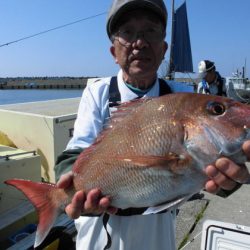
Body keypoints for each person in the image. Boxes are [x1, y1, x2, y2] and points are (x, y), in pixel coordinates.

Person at [54, 1, 250, 249]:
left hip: (158, 234)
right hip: (99, 235)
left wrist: (226, 183)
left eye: (151, 31)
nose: (140, 42)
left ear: (163, 47)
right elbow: (73, 155)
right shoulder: (98, 93)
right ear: (114, 52)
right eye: (127, 32)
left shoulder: (182, 94)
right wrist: (71, 188)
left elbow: (200, 171)